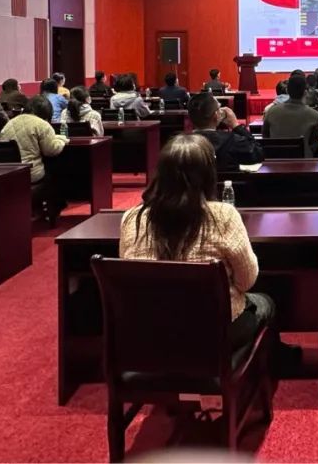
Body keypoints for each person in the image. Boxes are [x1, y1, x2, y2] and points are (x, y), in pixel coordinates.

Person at [119, 134, 278, 354]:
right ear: (208, 175)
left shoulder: (132, 219)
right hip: (213, 332)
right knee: (266, 303)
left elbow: (128, 281)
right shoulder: (223, 216)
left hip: (151, 332)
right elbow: (247, 280)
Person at [0, 95, 69, 183]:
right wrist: (62, 141)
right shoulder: (42, 124)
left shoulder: (9, 123)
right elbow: (50, 151)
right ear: (47, 112)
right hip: (31, 173)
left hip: (9, 175)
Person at [187, 92, 263, 171]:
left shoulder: (182, 143)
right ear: (216, 115)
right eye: (219, 108)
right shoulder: (231, 140)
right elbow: (258, 153)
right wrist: (236, 126)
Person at [262, 74, 318, 157]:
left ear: (287, 91)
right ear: (305, 92)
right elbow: (314, 143)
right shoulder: (314, 115)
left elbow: (266, 137)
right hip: (303, 161)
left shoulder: (271, 111)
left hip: (276, 160)